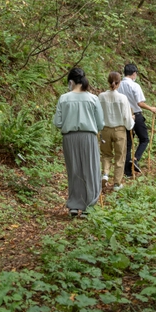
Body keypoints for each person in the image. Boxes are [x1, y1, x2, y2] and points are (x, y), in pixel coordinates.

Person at [53, 68, 104, 217]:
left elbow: (58, 122)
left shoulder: (64, 98)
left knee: (74, 170)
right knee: (90, 170)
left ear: (71, 82)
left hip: (70, 137)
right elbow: (100, 123)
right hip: (88, 137)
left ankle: (74, 206)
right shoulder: (93, 98)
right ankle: (89, 206)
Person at [117, 64, 156, 177]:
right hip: (136, 115)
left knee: (128, 142)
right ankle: (135, 159)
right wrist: (151, 108)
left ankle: (127, 171)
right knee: (144, 139)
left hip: (124, 116)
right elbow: (140, 103)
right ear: (134, 73)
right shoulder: (135, 86)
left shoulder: (119, 85)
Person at [98, 72, 134, 191]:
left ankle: (105, 174)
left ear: (108, 82)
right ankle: (117, 183)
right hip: (119, 130)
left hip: (105, 129)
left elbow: (97, 114)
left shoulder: (101, 96)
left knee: (106, 154)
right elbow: (126, 117)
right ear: (118, 84)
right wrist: (131, 123)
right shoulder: (122, 98)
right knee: (120, 156)